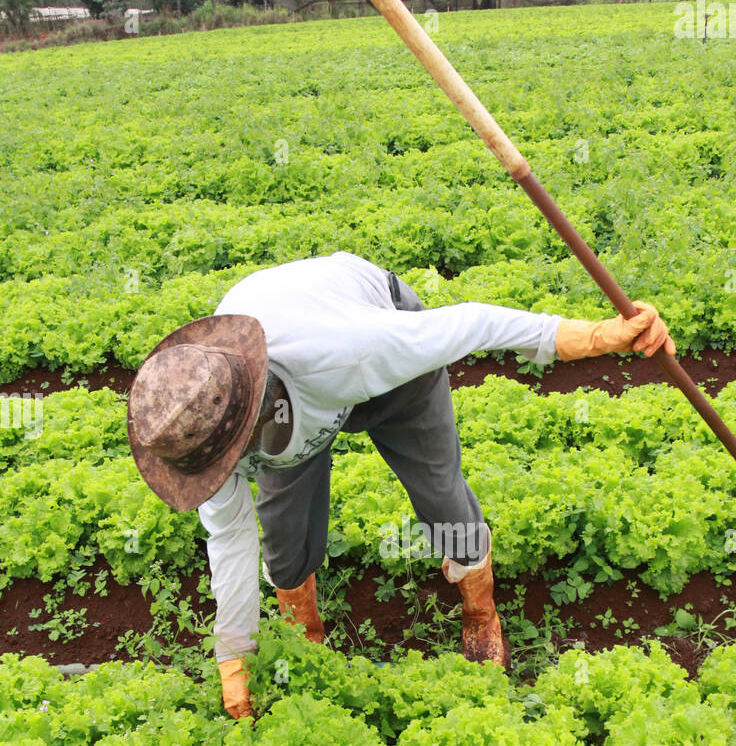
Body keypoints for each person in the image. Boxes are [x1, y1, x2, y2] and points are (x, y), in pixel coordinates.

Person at [127, 251, 673, 718]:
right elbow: (228, 537)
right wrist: (234, 652)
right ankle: (308, 639)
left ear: (257, 411)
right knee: (284, 537)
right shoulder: (197, 427)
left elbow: (472, 324)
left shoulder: (354, 349)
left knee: (440, 495)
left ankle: (481, 610)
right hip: (286, 376)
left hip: (367, 339)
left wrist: (595, 336)